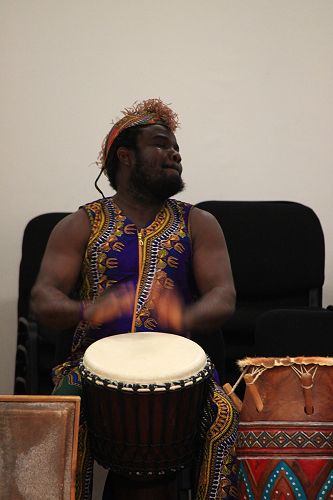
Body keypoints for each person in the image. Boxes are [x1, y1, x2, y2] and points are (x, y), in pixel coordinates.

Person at [30, 98, 239, 499]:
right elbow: (42, 299)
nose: (175, 154)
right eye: (161, 144)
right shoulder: (80, 224)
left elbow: (224, 296)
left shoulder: (198, 222)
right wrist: (90, 309)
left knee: (225, 416)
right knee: (57, 421)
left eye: (177, 147)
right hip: (88, 370)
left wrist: (184, 315)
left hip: (183, 373)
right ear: (125, 157)